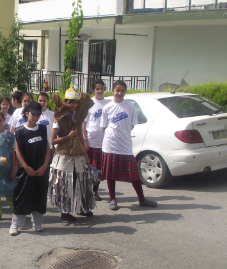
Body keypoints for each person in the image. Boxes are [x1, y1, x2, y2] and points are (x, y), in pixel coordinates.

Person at [101, 81, 158, 210]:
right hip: (110, 145)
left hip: (125, 146)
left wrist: (123, 134)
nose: (119, 93)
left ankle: (142, 200)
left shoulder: (130, 106)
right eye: (117, 90)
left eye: (122, 90)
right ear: (113, 91)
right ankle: (113, 199)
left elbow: (132, 124)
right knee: (110, 174)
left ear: (125, 91)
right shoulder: (107, 108)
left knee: (134, 175)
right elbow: (104, 127)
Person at [49, 85, 96, 222]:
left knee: (80, 181)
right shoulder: (58, 117)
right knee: (65, 184)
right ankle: (65, 211)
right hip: (64, 156)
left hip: (78, 155)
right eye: (70, 102)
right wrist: (69, 136)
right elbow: (53, 140)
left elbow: (80, 136)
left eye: (75, 102)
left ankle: (81, 208)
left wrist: (85, 155)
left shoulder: (79, 117)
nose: (73, 104)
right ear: (65, 101)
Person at [11, 101, 50, 235]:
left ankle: (37, 222)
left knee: (39, 196)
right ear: (27, 113)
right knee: (22, 196)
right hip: (25, 170)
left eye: (38, 114)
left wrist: (45, 165)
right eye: (33, 114)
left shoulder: (42, 129)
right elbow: (18, 151)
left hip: (41, 170)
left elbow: (47, 149)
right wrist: (26, 167)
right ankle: (16, 224)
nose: (36, 117)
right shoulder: (20, 131)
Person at [83, 79, 109, 200]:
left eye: (101, 88)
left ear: (104, 89)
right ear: (93, 90)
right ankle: (88, 191)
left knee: (100, 170)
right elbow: (83, 124)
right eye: (97, 88)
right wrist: (85, 140)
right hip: (91, 141)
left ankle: (95, 191)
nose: (99, 91)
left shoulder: (108, 103)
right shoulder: (89, 103)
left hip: (105, 142)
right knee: (90, 169)